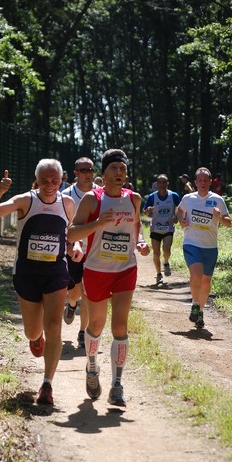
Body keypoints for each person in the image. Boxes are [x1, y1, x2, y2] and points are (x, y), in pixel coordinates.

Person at [0, 159, 83, 406]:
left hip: (56, 273)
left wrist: (76, 246)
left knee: (54, 327)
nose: (50, 185)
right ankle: (35, 337)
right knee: (33, 331)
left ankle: (47, 385)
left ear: (62, 180)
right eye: (45, 180)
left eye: (55, 180)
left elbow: (70, 234)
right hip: (27, 274)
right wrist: (1, 191)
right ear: (37, 180)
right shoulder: (25, 201)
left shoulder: (68, 203)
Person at [68, 148, 150, 408]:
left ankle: (117, 385)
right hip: (96, 270)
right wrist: (98, 224)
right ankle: (92, 366)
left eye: (123, 169)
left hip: (125, 269)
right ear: (103, 174)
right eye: (114, 168)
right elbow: (71, 234)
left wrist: (141, 242)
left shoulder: (134, 198)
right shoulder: (92, 199)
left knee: (120, 327)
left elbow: (136, 228)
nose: (119, 173)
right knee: (96, 325)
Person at [177, 167, 231, 329]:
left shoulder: (218, 200)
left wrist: (219, 216)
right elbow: (179, 210)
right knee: (196, 273)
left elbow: (228, 223)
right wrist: (181, 219)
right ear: (195, 182)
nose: (202, 183)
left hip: (210, 246)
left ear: (210, 182)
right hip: (192, 243)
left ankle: (200, 311)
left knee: (206, 280)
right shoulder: (188, 198)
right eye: (199, 180)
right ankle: (194, 304)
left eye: (205, 180)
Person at [63, 157, 101, 348]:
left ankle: (82, 331)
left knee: (87, 293)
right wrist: (69, 244)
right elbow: (63, 223)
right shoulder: (67, 194)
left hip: (94, 250)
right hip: (73, 250)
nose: (88, 173)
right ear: (76, 173)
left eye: (90, 170)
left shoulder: (100, 194)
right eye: (83, 170)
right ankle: (71, 304)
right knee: (75, 292)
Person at [143, 174, 181, 285]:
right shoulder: (152, 197)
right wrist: (148, 211)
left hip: (168, 227)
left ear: (167, 184)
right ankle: (159, 274)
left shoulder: (173, 195)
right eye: (160, 182)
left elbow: (180, 209)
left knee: (166, 250)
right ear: (157, 184)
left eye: (165, 182)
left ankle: (166, 262)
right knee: (156, 253)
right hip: (155, 228)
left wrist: (176, 217)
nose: (162, 185)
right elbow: (144, 212)